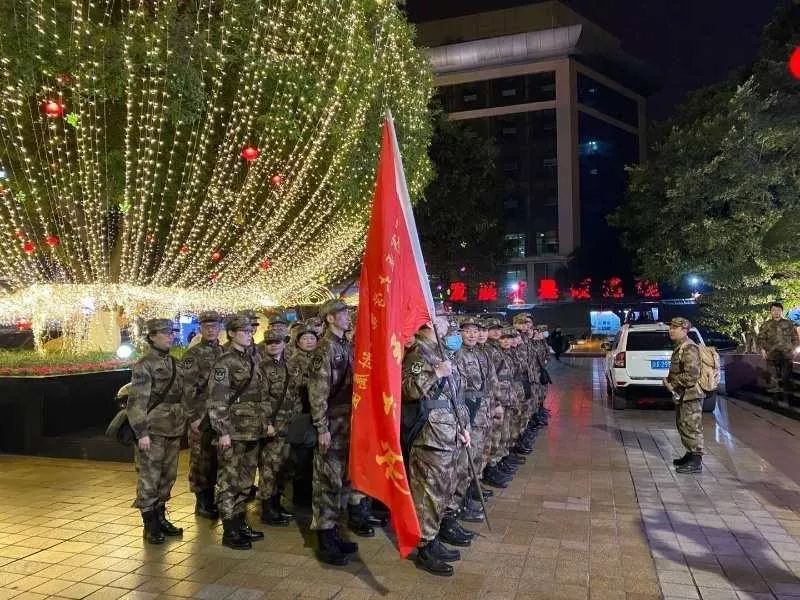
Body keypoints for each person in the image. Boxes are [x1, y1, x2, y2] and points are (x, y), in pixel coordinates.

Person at [402, 317, 471, 576]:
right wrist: (435, 372)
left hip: (449, 432)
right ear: (428, 324)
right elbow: (408, 390)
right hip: (430, 436)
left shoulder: (438, 351)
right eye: (441, 320)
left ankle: (434, 538)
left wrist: (464, 426)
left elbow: (454, 395)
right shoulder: (418, 354)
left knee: (442, 492)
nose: (447, 325)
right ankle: (424, 546)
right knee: (428, 495)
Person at [308, 299, 362, 566]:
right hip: (332, 423)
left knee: (343, 480)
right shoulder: (325, 349)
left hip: (347, 424)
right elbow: (317, 392)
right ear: (329, 318)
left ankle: (336, 531)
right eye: (341, 313)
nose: (347, 316)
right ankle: (325, 537)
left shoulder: (345, 346)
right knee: (327, 482)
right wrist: (321, 428)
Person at [207, 316, 267, 549]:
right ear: (231, 334)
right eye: (242, 330)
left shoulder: (252, 358)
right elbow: (217, 399)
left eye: (249, 330)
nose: (248, 333)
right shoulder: (225, 362)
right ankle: (229, 530)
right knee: (229, 480)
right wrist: (222, 431)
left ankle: (240, 522)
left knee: (245, 480)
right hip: (232, 430)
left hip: (252, 429)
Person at [127, 318, 186, 545]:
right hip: (152, 430)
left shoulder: (175, 362)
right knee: (149, 476)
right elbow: (137, 401)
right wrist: (141, 433)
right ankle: (150, 524)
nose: (170, 336)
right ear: (151, 336)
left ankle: (161, 517)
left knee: (168, 476)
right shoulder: (144, 364)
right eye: (164, 333)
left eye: (171, 332)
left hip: (173, 427)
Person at [182, 310, 225, 520]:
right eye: (206, 326)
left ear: (220, 328)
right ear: (200, 329)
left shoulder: (224, 352)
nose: (211, 330)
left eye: (214, 326)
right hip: (201, 415)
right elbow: (186, 389)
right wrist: (193, 417)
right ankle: (202, 501)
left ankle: (213, 496)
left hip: (220, 415)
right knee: (201, 459)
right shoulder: (192, 355)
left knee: (217, 458)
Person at [257, 329, 299, 526]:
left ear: (285, 343)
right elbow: (261, 399)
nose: (273, 345)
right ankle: (267, 507)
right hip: (273, 425)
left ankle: (277, 502)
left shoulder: (291, 365)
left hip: (290, 424)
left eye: (277, 341)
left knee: (284, 467)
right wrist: (267, 424)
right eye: (269, 342)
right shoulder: (261, 368)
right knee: (269, 468)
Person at [665, 317, 705, 474]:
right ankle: (690, 454)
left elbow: (692, 375)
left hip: (691, 395)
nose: (671, 330)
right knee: (683, 424)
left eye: (675, 328)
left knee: (692, 426)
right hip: (684, 395)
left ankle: (696, 461)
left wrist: (673, 383)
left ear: (685, 330)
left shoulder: (689, 348)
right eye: (671, 327)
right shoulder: (680, 346)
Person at [756, 302, 799, 401]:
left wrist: (795, 350)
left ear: (782, 311)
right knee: (773, 377)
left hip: (786, 354)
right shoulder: (766, 325)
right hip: (771, 354)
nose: (776, 312)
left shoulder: (789, 324)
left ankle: (788, 395)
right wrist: (762, 350)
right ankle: (775, 397)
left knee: (786, 376)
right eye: (774, 310)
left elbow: (795, 338)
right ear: (771, 312)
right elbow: (760, 339)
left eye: (778, 310)